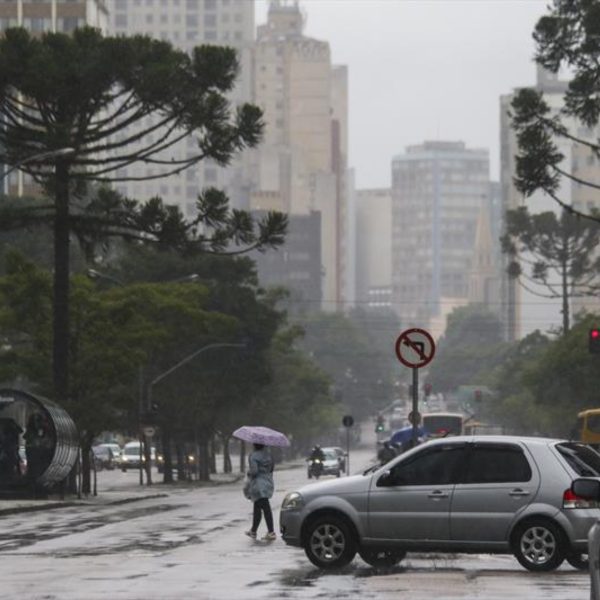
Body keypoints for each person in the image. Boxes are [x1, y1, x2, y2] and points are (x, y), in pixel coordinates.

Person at [244, 443, 276, 541]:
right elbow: (272, 469)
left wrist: (248, 473)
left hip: (258, 485)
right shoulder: (269, 455)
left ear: (254, 446)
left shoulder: (253, 456)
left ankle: (271, 532)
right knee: (257, 507)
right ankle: (253, 531)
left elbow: (254, 471)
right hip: (268, 482)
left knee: (265, 507)